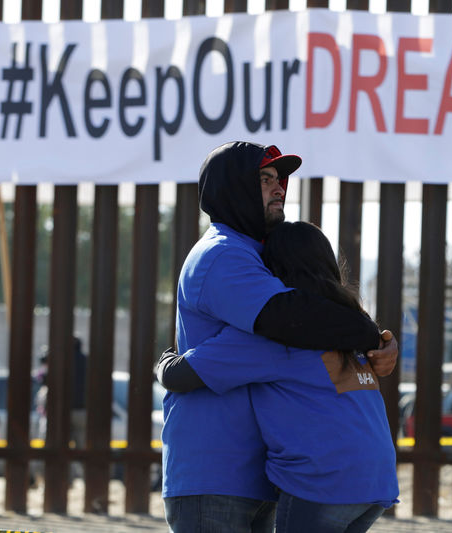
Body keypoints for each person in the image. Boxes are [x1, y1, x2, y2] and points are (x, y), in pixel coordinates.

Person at [160, 141, 398, 533]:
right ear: (232, 187)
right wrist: (367, 334)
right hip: (216, 468)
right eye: (264, 179)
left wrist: (373, 340)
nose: (279, 188)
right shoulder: (223, 254)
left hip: (264, 474)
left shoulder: (261, 254)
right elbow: (290, 319)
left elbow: (310, 310)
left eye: (280, 179)